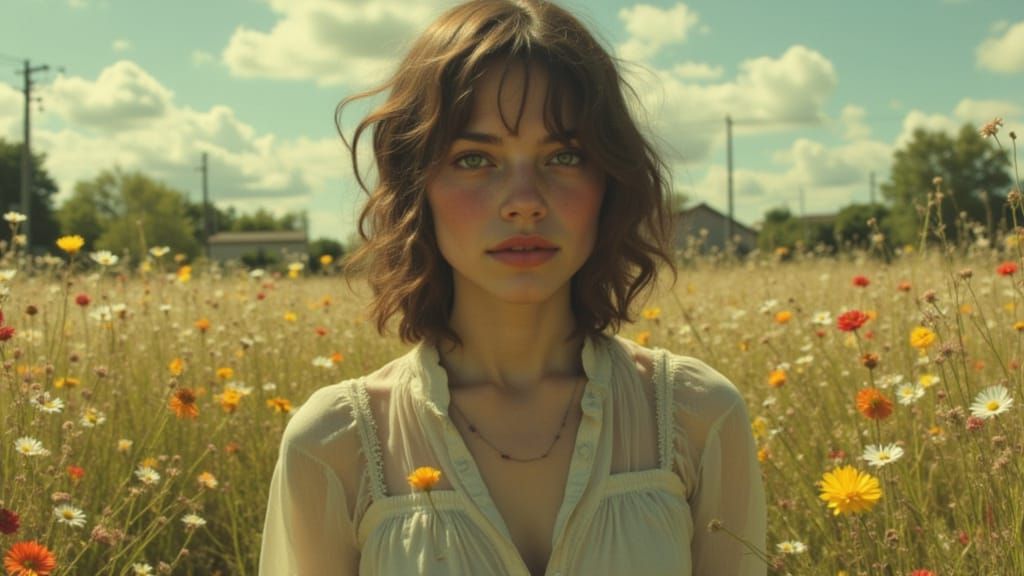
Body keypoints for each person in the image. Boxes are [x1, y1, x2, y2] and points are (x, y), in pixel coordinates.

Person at [259, 0, 766, 574]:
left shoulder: (698, 417)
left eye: (564, 155)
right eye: (475, 159)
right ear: (414, 186)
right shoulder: (336, 444)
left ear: (610, 182)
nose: (525, 201)